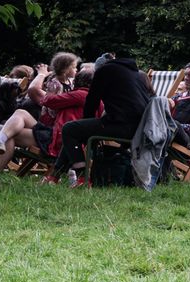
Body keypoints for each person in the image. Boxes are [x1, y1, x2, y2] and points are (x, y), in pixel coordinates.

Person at [49, 53, 148, 184]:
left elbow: (91, 101)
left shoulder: (104, 71)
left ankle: (81, 177)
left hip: (122, 126)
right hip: (139, 127)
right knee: (77, 130)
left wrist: (86, 123)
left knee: (69, 129)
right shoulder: (135, 73)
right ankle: (54, 176)